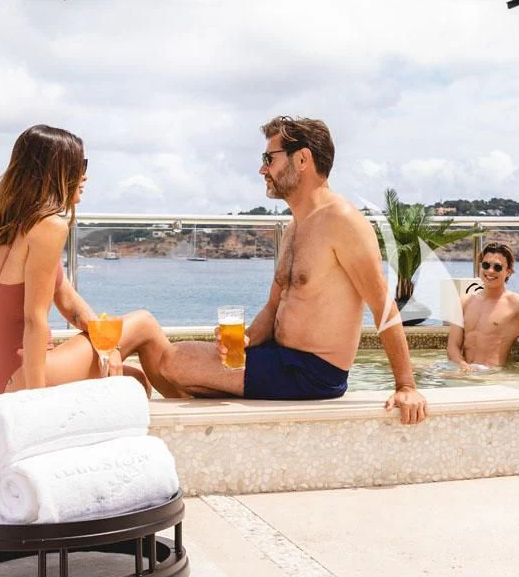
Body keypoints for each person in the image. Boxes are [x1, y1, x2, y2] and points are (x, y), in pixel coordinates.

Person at [159, 116, 428, 425]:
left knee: (174, 359)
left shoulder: (342, 220)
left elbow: (383, 305)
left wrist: (406, 386)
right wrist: (245, 340)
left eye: (268, 159)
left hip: (312, 372)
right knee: (165, 356)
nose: (262, 169)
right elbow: (274, 307)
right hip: (280, 358)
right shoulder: (295, 226)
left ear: (302, 159)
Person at [0, 124, 181, 399]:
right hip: (19, 378)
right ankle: (188, 405)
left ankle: (180, 403)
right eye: (79, 165)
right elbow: (34, 319)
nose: (85, 176)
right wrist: (34, 401)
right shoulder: (49, 226)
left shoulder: (12, 224)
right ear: (56, 171)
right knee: (143, 323)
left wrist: (109, 347)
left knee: (136, 382)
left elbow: (69, 304)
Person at [447, 242, 519, 369]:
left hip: (490, 375)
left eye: (497, 267)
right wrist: (462, 366)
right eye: (486, 265)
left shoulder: (515, 303)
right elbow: (452, 346)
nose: (490, 271)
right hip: (461, 370)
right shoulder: (464, 302)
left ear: (508, 272)